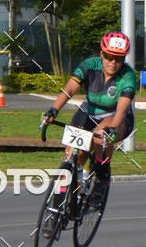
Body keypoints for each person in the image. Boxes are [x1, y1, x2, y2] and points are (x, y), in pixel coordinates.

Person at [42, 31, 136, 206]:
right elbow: (69, 89)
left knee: (102, 136)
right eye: (109, 56)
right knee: (71, 155)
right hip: (88, 113)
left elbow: (122, 109)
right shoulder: (89, 65)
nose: (113, 62)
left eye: (119, 58)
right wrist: (54, 109)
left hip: (115, 116)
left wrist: (113, 128)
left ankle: (102, 175)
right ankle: (58, 204)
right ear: (102, 54)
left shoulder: (128, 75)